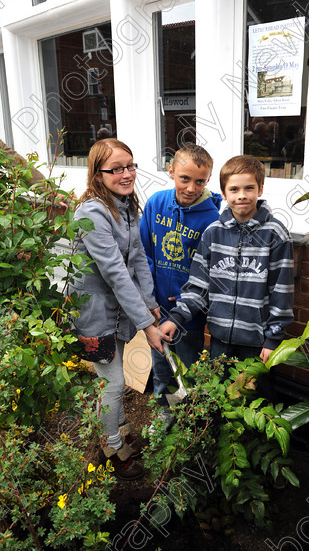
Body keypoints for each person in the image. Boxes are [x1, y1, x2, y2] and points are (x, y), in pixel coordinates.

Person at [68, 138, 165, 480]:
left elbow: (138, 258)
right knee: (113, 382)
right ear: (97, 173)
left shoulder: (125, 204)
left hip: (116, 310)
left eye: (130, 166)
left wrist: (151, 304)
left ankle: (118, 428)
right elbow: (115, 272)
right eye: (116, 169)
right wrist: (148, 325)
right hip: (94, 314)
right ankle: (111, 448)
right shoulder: (92, 212)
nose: (126, 174)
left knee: (114, 375)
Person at [160, 155, 294, 376]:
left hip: (257, 342)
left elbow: (282, 292)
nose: (241, 196)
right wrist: (176, 317)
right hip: (219, 340)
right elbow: (198, 286)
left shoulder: (275, 234)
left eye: (249, 188)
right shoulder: (213, 233)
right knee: (220, 400)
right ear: (223, 193)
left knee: (255, 400)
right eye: (234, 189)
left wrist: (273, 339)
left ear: (260, 189)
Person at [140, 143, 222, 426]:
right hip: (156, 306)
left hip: (190, 312)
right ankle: (164, 412)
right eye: (184, 178)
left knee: (187, 365)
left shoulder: (212, 219)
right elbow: (144, 253)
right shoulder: (156, 203)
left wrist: (187, 303)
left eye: (199, 181)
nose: (191, 187)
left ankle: (187, 418)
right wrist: (148, 297)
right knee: (161, 363)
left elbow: (209, 270)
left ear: (208, 179)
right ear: (171, 171)